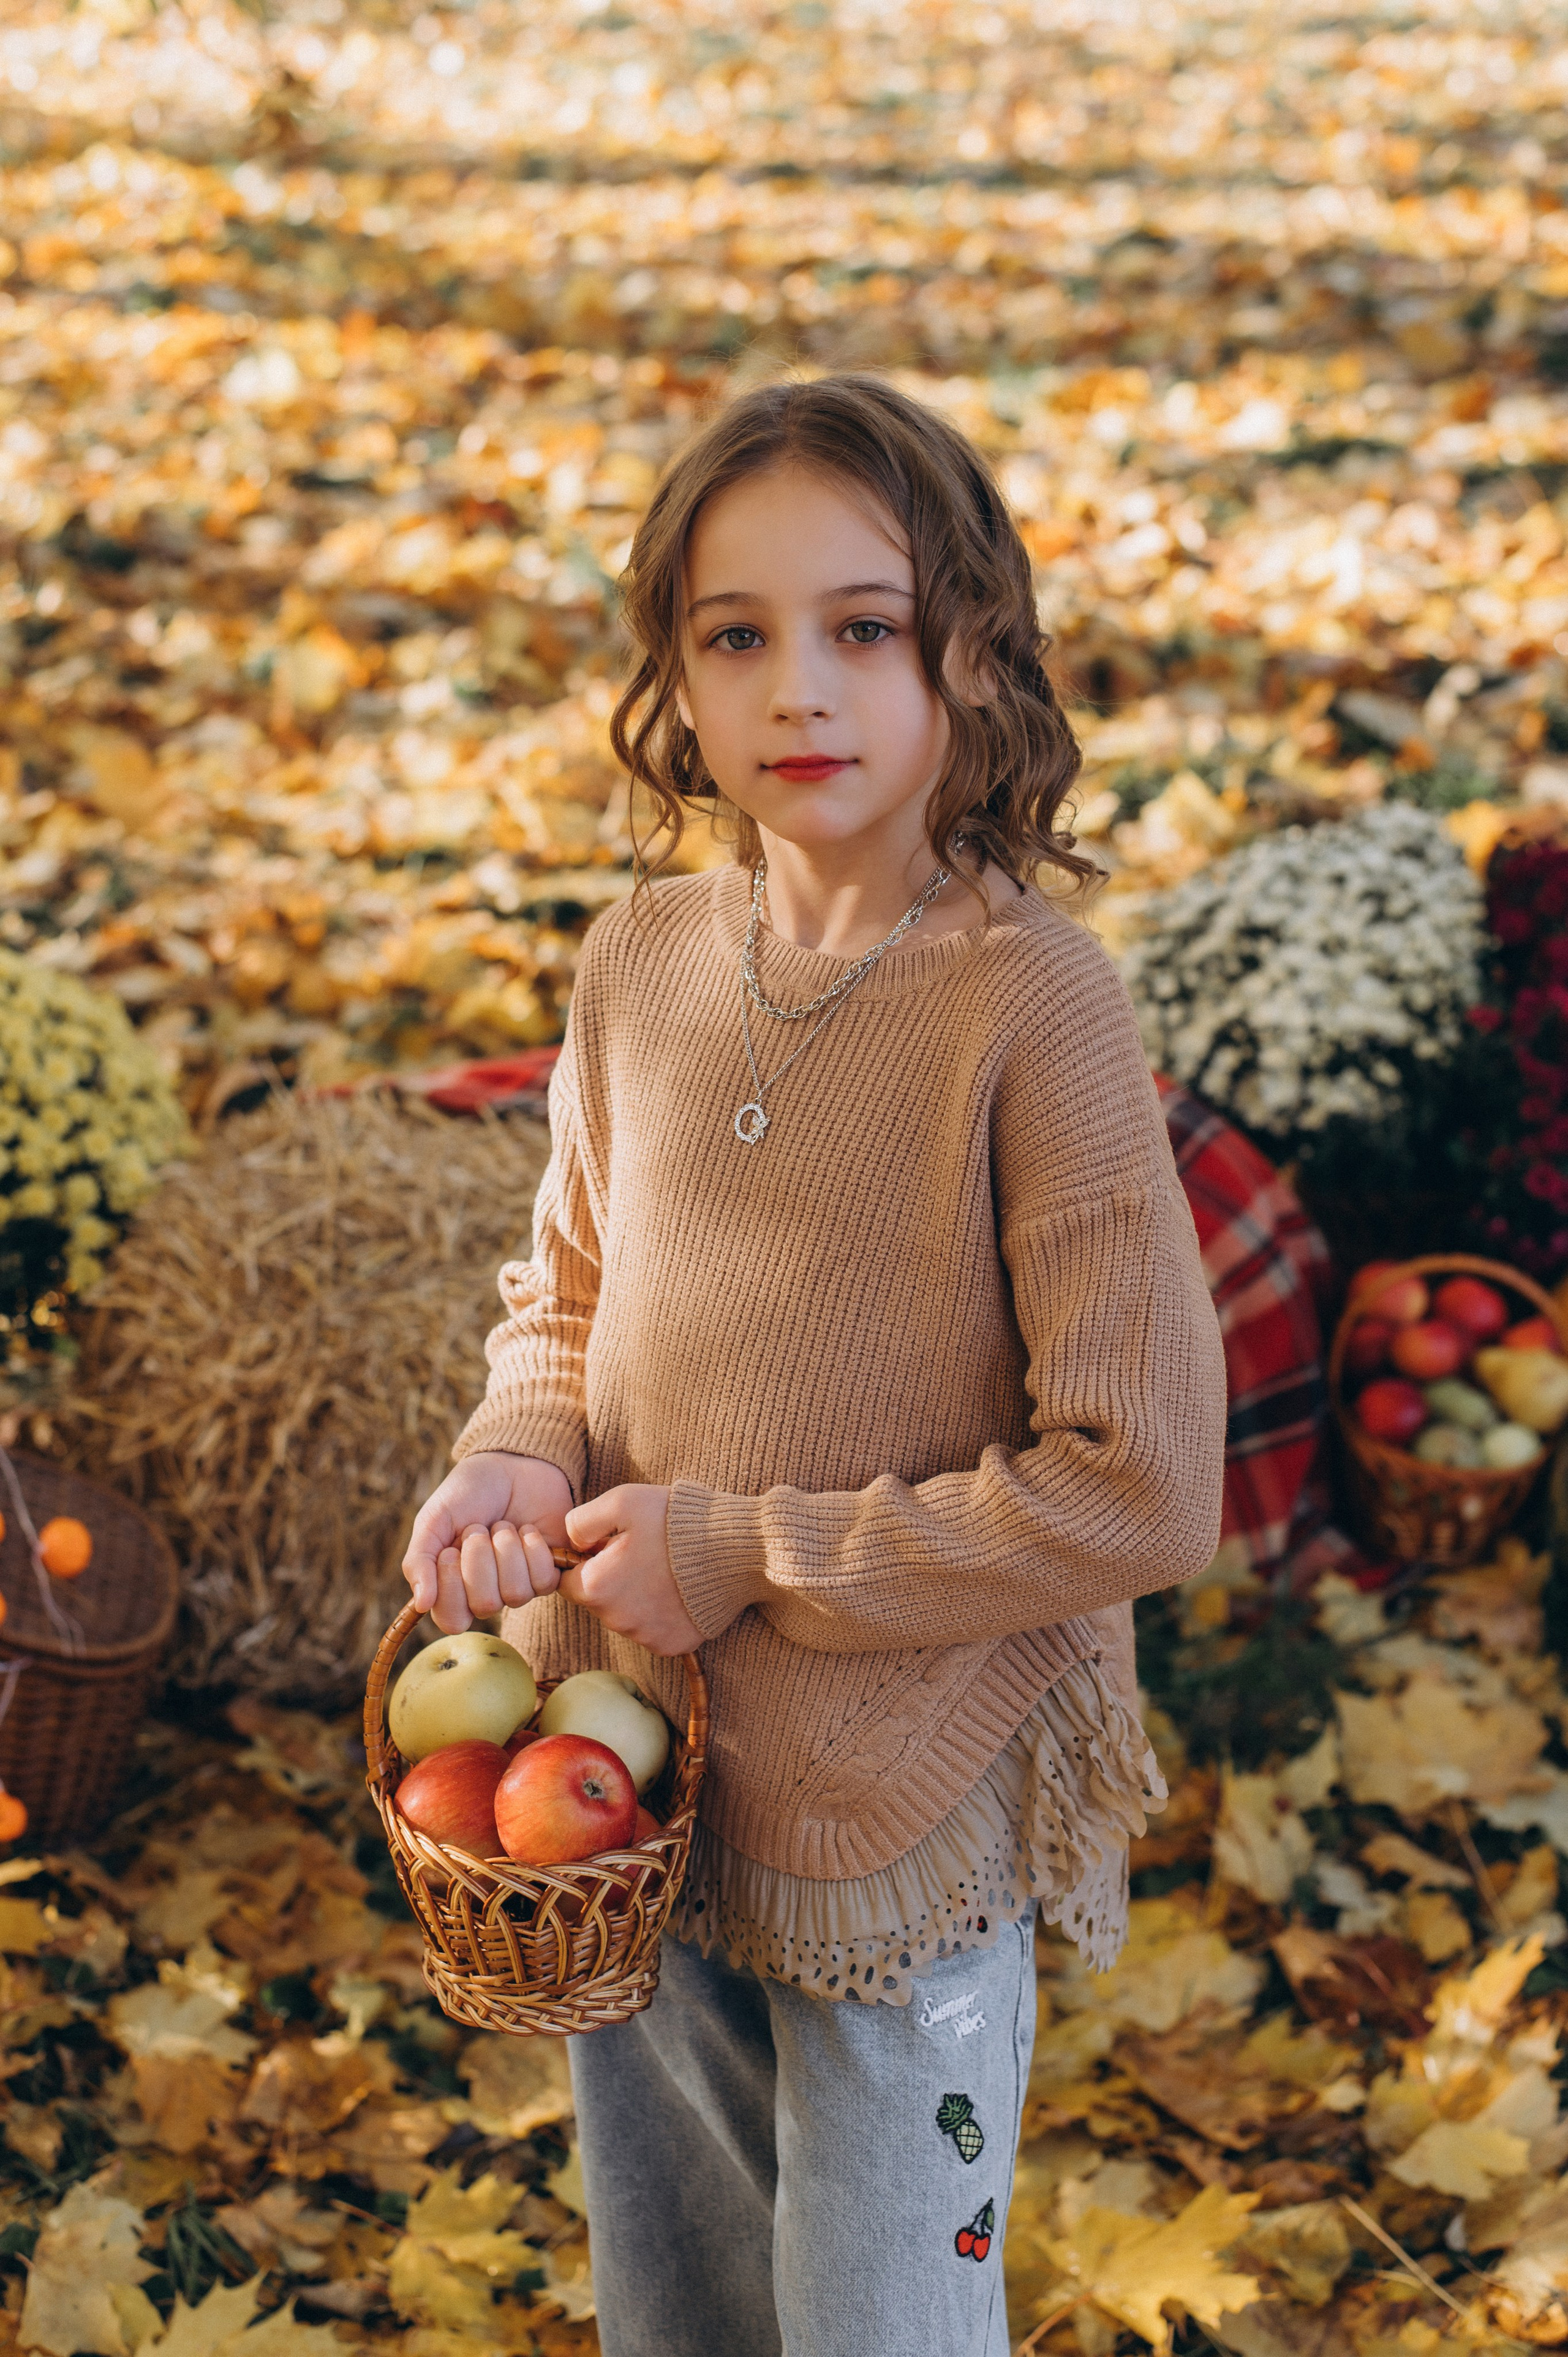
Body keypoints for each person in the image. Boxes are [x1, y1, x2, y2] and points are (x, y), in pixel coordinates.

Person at [401, 373, 1227, 2357]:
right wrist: (514, 1453)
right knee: (678, 2305)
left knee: (871, 2328)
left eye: (866, 628)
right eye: (735, 635)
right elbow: (567, 1297)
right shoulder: (640, 966)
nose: (802, 691)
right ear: (672, 677)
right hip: (624, 1783)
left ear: (972, 653)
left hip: (901, 1825)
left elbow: (1142, 1485)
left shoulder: (1032, 1008)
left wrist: (744, 1548)